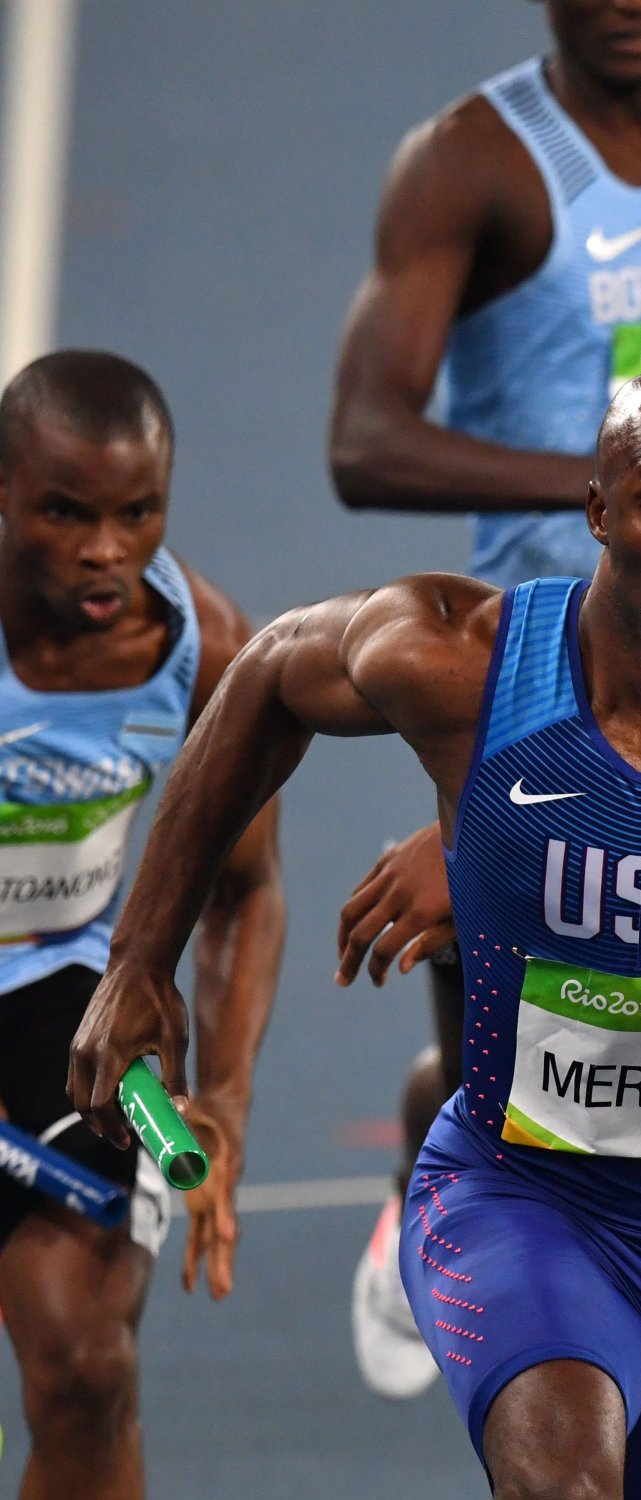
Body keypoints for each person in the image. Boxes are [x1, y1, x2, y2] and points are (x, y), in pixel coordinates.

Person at [70, 363, 641, 1498]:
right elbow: (267, 673)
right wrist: (139, 961)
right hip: (522, 1193)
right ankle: (421, 1163)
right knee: (566, 1483)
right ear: (596, 511)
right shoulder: (464, 658)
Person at [326, 0, 641, 1395]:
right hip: (549, 682)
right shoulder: (475, 162)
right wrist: (636, 496)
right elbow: (364, 441)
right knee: (525, 1073)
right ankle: (440, 1187)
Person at [0, 351, 284, 1500]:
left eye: (138, 513)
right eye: (67, 512)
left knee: (87, 1369)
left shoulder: (206, 651)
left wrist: (222, 1095)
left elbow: (245, 889)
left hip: (70, 995)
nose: (108, 550)